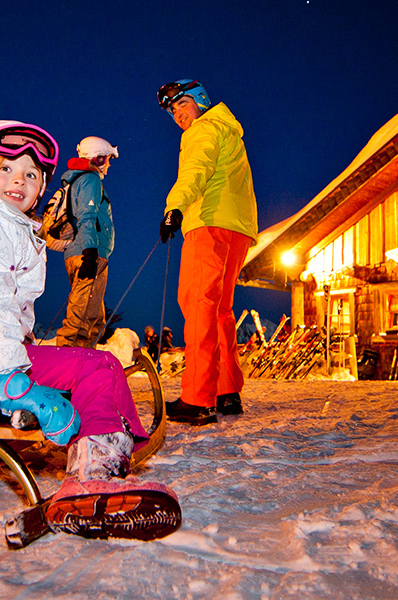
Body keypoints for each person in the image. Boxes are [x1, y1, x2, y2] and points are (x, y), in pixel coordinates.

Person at [0, 120, 180, 540]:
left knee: (61, 359)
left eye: (30, 175)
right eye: (5, 168)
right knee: (98, 367)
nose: (18, 180)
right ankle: (95, 477)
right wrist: (14, 382)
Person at [156, 79, 258, 426]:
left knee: (198, 304)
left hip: (209, 223)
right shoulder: (228, 129)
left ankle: (197, 398)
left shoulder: (202, 130)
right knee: (219, 309)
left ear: (199, 100)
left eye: (181, 105)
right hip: (237, 228)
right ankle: (227, 391)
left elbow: (195, 170)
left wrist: (175, 207)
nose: (178, 115)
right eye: (172, 111)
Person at [51, 136, 119, 347]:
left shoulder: (76, 182)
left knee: (94, 320)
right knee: (81, 321)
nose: (108, 165)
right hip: (88, 254)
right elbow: (87, 216)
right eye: (106, 159)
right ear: (97, 159)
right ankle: (68, 365)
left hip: (79, 253)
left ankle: (85, 366)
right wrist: (90, 253)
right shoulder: (90, 181)